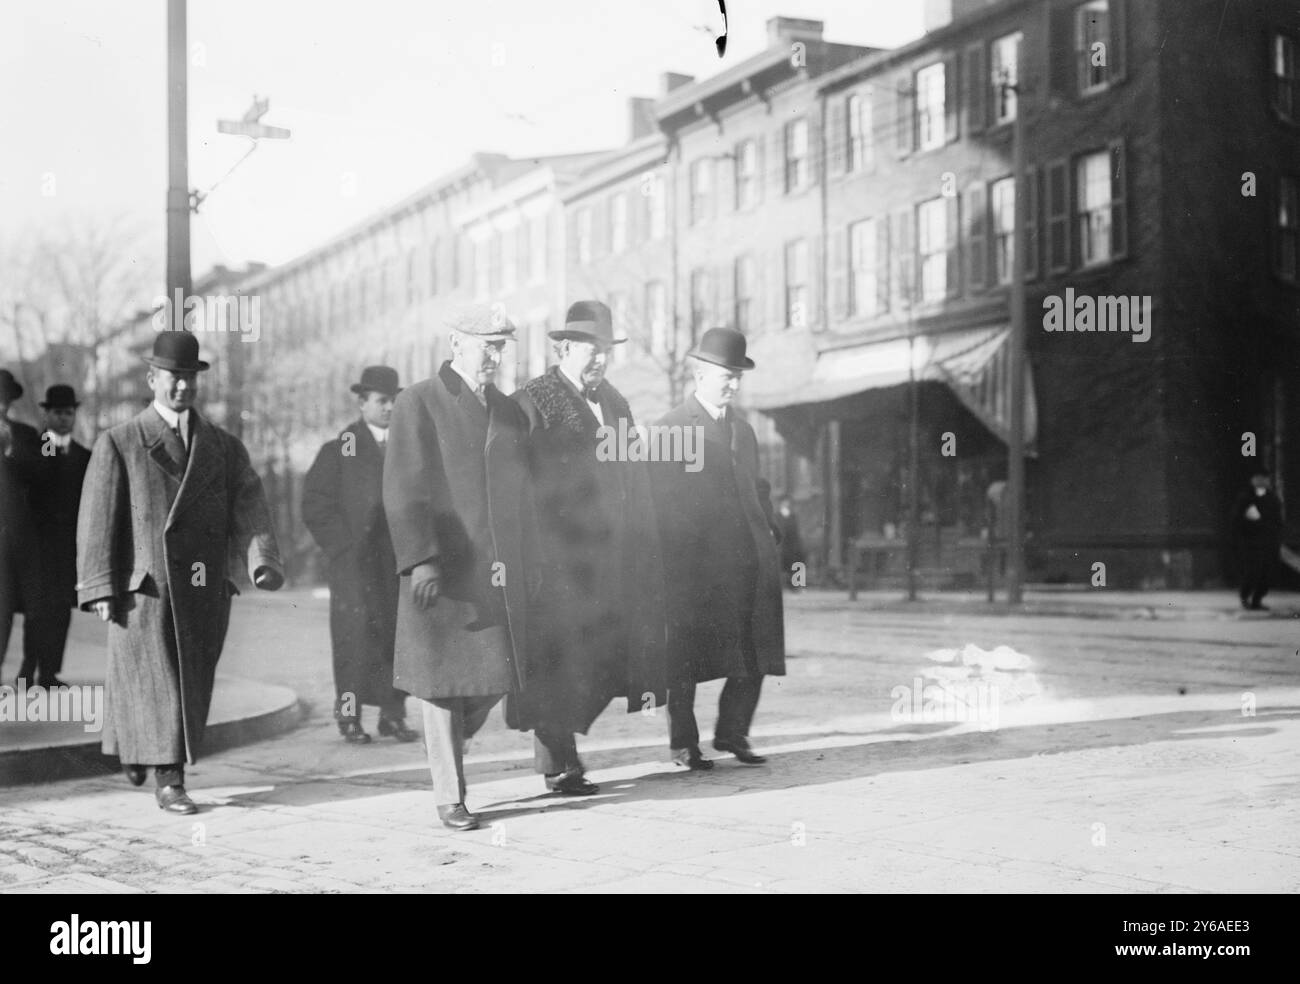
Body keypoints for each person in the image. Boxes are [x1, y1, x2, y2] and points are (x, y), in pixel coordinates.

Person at [76, 331, 283, 815]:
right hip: (145, 588)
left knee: (189, 680)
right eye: (174, 378)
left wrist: (261, 561)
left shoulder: (224, 447)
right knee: (157, 680)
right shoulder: (121, 442)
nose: (183, 388)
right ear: (153, 379)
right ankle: (169, 777)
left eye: (190, 379)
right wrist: (101, 584)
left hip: (203, 585)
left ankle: (139, 748)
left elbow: (250, 506)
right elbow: (97, 520)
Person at [382, 307, 535, 831]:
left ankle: (448, 749)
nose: (494, 356)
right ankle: (450, 796)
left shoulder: (508, 410)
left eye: (501, 347)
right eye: (485, 345)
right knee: (442, 683)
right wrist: (421, 559)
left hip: (493, 570)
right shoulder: (419, 401)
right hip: (441, 572)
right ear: (455, 343)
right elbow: (405, 487)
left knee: (498, 677)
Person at [513, 300, 666, 796]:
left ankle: (559, 750)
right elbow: (520, 485)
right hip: (558, 559)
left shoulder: (617, 403)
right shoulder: (534, 400)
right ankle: (560, 764)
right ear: (562, 348)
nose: (598, 359)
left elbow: (633, 471)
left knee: (601, 657)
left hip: (610, 557)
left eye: (604, 351)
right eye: (589, 350)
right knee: (558, 658)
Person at [650, 328, 785, 771]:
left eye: (738, 376)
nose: (734, 384)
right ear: (700, 374)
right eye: (727, 376)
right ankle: (683, 744)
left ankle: (733, 732)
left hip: (747, 560)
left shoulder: (743, 432)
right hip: (694, 566)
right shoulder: (671, 428)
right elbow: (664, 501)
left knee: (754, 647)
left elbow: (758, 489)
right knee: (684, 655)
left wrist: (771, 533)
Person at [302, 365, 417, 745]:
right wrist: (342, 549)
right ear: (362, 402)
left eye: (394, 401)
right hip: (353, 565)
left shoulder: (409, 448)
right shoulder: (341, 448)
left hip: (396, 564)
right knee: (353, 642)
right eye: (382, 401)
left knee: (397, 640)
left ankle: (393, 715)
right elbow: (317, 505)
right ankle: (349, 716)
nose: (389, 408)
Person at [17, 385, 91, 687]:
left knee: (61, 610)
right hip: (37, 548)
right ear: (46, 414)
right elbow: (35, 481)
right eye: (58, 413)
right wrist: (48, 444)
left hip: (67, 549)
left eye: (69, 413)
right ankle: (27, 668)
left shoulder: (84, 456)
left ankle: (49, 673)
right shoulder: (36, 449)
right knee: (37, 611)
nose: (64, 419)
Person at [0, 368, 39, 681]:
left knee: (22, 611)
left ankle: (30, 670)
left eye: (5, 400)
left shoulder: (26, 435)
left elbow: (42, 481)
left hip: (21, 541)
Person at [1231, 467, 1285, 611]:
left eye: (1265, 478)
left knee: (1266, 573)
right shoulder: (1245, 497)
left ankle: (1257, 599)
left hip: (1268, 541)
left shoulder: (1272, 498)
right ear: (1253, 480)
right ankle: (1245, 596)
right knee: (1253, 571)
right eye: (1260, 478)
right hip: (1251, 542)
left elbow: (1278, 520)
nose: (1263, 481)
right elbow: (1237, 519)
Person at [775, 495, 806, 591]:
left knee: (794, 563)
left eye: (786, 502)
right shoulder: (776, 516)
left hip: (791, 545)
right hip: (780, 545)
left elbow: (795, 532)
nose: (785, 504)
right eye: (783, 502)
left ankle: (794, 585)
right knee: (780, 564)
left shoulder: (793, 516)